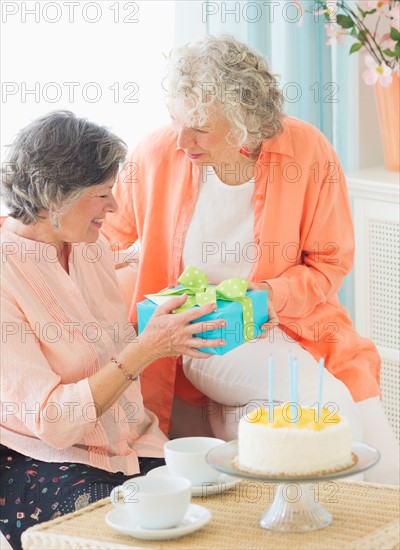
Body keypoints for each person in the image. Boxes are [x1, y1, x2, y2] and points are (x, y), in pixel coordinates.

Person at [101, 35, 399, 485]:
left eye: (200, 126)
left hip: (298, 326)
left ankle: (240, 432)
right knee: (332, 415)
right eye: (176, 120)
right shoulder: (156, 153)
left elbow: (329, 262)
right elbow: (100, 238)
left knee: (387, 473)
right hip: (203, 336)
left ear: (242, 123)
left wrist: (272, 295)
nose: (183, 139)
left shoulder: (306, 151)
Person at [0, 111, 227, 548]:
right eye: (102, 194)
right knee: (138, 531)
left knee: (217, 512)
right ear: (54, 197)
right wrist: (146, 349)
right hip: (43, 458)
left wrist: (191, 306)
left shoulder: (90, 247)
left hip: (132, 446)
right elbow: (53, 423)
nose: (115, 207)